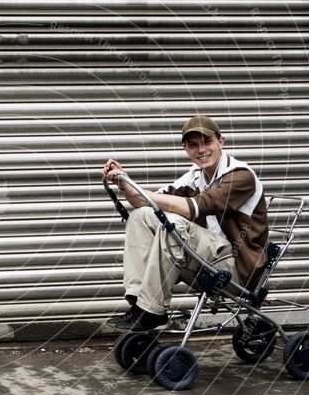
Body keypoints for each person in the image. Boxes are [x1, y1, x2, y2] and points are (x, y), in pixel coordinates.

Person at [101, 115, 269, 331]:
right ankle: (139, 303)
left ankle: (152, 310)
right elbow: (144, 203)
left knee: (172, 224)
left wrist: (144, 192)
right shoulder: (194, 177)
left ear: (221, 141)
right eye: (193, 145)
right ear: (185, 148)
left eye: (207, 142)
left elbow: (196, 206)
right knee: (140, 215)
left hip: (236, 269)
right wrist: (124, 182)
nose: (201, 150)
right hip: (208, 263)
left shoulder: (241, 176)